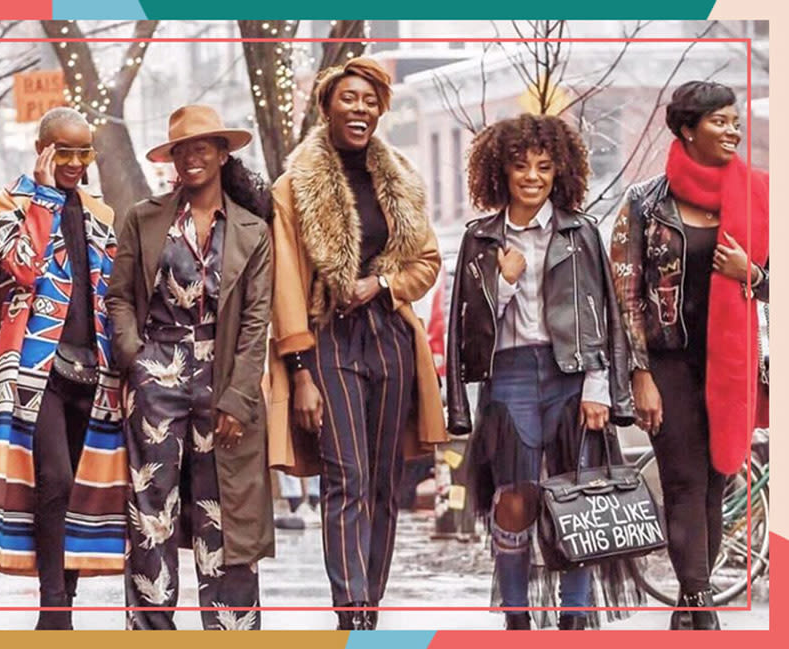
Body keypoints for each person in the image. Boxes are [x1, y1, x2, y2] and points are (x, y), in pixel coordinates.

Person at [268, 57, 446, 630]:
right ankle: (352, 613)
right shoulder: (294, 186)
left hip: (391, 337)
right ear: (327, 107)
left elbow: (427, 262)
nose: (361, 109)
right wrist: (299, 369)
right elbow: (287, 283)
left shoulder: (401, 178)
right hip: (330, 341)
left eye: (370, 100)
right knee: (348, 477)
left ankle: (372, 598)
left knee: (386, 480)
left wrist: (383, 283)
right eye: (349, 99)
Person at [447, 113, 637, 630]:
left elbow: (602, 313)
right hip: (508, 375)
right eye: (520, 165)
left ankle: (573, 619)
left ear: (560, 171)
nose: (532, 176)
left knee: (573, 496)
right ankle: (517, 618)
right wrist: (504, 283)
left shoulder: (580, 233)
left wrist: (599, 386)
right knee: (515, 499)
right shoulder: (481, 238)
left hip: (570, 375)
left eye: (544, 166)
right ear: (500, 172)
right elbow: (470, 334)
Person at [107, 104, 274, 630]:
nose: (193, 157)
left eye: (204, 146)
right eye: (183, 149)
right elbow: (118, 298)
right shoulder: (144, 216)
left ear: (224, 154)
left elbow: (255, 323)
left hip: (225, 377)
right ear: (173, 158)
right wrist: (135, 357)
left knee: (224, 511)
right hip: (157, 370)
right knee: (151, 509)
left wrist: (238, 398)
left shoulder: (253, 229)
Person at [610, 81, 769, 630]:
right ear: (685, 129)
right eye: (719, 121)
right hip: (669, 363)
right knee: (683, 479)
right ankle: (699, 604)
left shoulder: (761, 194)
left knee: (719, 474)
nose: (732, 130)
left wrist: (750, 274)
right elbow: (624, 294)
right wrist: (640, 374)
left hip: (734, 364)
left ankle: (689, 600)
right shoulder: (644, 202)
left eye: (734, 120)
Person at [0, 107, 125, 630]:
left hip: (97, 370)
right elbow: (21, 267)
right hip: (38, 370)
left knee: (82, 487)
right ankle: (53, 609)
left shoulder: (102, 212)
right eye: (65, 151)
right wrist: (42, 199)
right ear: (43, 148)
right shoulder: (10, 203)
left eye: (84, 152)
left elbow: (113, 291)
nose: (76, 162)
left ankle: (67, 602)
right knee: (55, 479)